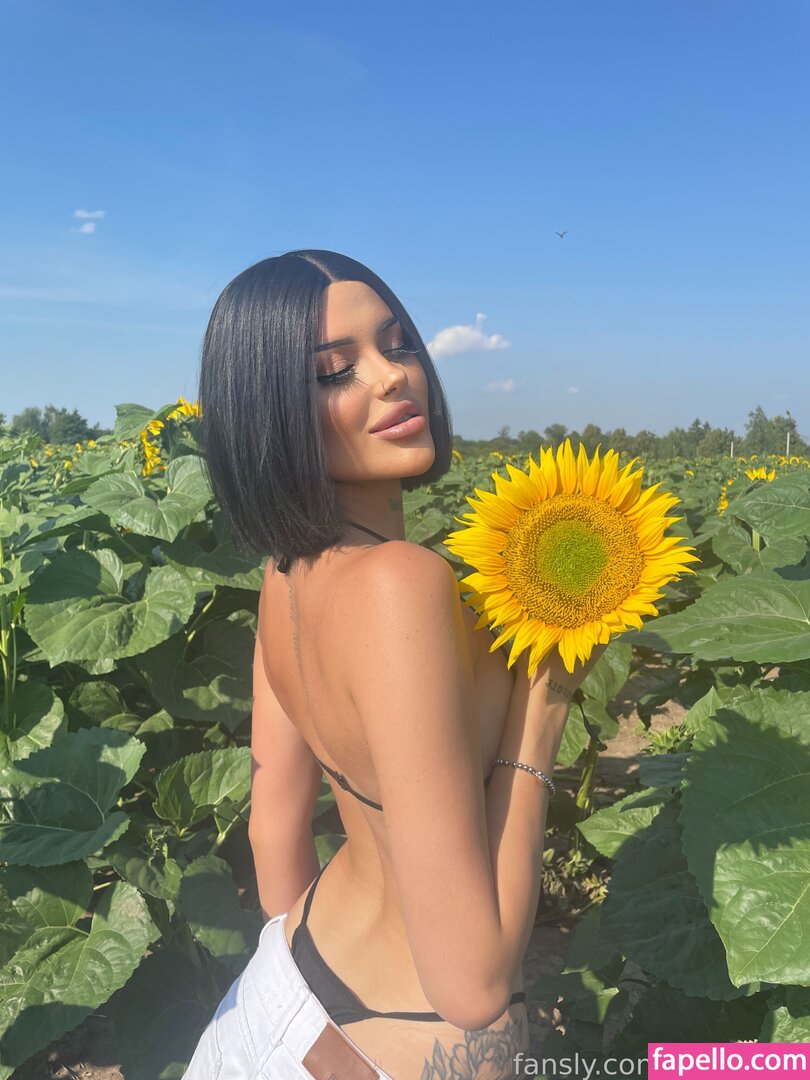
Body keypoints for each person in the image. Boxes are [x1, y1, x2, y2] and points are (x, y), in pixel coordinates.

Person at [183, 249, 605, 1079]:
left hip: (278, 999)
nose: (391, 376)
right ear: (267, 412)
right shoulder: (400, 583)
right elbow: (472, 990)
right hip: (380, 1042)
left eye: (397, 343)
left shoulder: (285, 573)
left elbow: (275, 831)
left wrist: (306, 1016)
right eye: (334, 371)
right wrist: (547, 699)